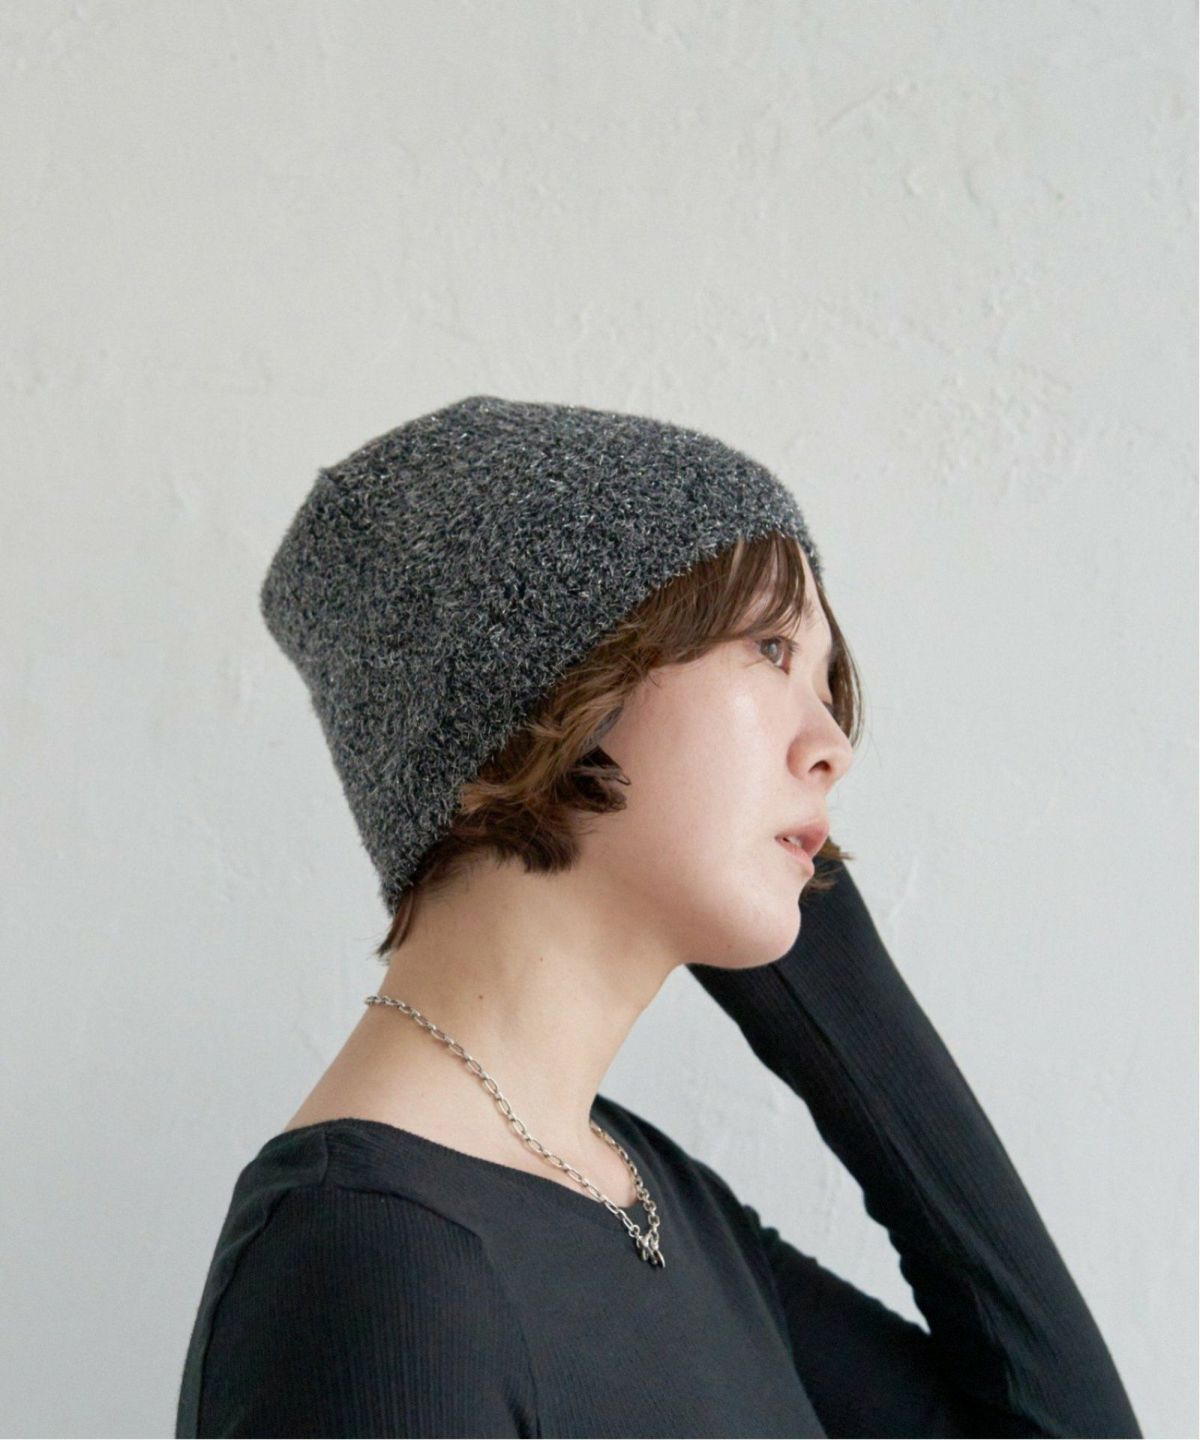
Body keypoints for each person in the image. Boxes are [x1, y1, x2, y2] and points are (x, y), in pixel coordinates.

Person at [175, 395, 1141, 1438]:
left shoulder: (638, 1192)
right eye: (770, 648)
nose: (832, 744)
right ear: (544, 690)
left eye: (828, 683)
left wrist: (813, 954)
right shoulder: (370, 1263)